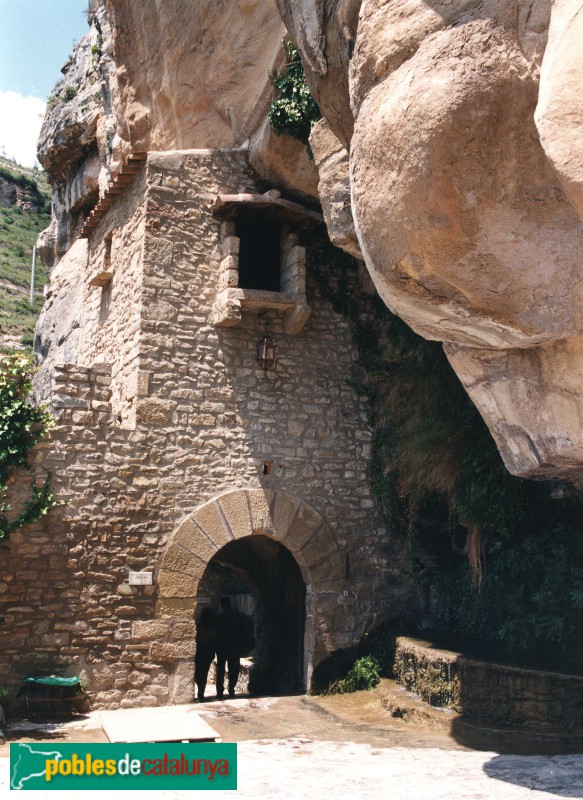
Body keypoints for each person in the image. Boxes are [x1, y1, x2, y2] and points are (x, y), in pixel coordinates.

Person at [215, 596, 243, 699]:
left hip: (222, 647)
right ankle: (231, 689)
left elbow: (216, 634)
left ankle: (219, 692)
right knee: (234, 669)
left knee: (220, 670)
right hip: (234, 647)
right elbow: (242, 632)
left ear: (221, 606)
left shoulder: (218, 618)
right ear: (230, 605)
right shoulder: (237, 617)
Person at [194, 607, 217, 702]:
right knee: (204, 672)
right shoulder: (214, 627)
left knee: (198, 672)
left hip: (200, 651)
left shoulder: (200, 626)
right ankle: (201, 693)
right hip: (208, 651)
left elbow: (197, 639)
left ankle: (200, 692)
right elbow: (214, 639)